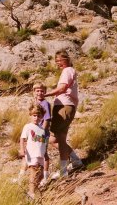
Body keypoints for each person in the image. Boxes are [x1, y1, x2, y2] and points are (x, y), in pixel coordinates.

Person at [45, 49, 83, 178]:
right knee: (55, 139)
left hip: (64, 106)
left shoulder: (67, 71)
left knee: (59, 139)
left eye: (60, 60)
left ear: (67, 59)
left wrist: (45, 94)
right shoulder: (69, 71)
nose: (58, 63)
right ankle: (75, 160)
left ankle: (63, 172)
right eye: (56, 61)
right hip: (65, 106)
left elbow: (62, 88)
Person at [14, 83, 52, 186]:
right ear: (34, 92)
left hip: (41, 133)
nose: (39, 93)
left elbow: (47, 119)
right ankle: (20, 177)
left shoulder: (45, 103)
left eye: (42, 91)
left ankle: (45, 177)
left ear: (45, 92)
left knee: (44, 155)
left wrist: (41, 132)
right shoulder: (35, 102)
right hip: (33, 132)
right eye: (37, 91)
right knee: (27, 154)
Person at [19, 104, 47, 199]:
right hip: (32, 154)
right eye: (34, 115)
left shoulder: (43, 130)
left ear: (42, 117)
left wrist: (46, 154)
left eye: (38, 116)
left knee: (40, 174)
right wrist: (22, 149)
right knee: (33, 172)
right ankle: (31, 193)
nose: (36, 118)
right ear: (31, 115)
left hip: (41, 155)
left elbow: (44, 143)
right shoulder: (28, 126)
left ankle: (34, 190)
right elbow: (22, 139)